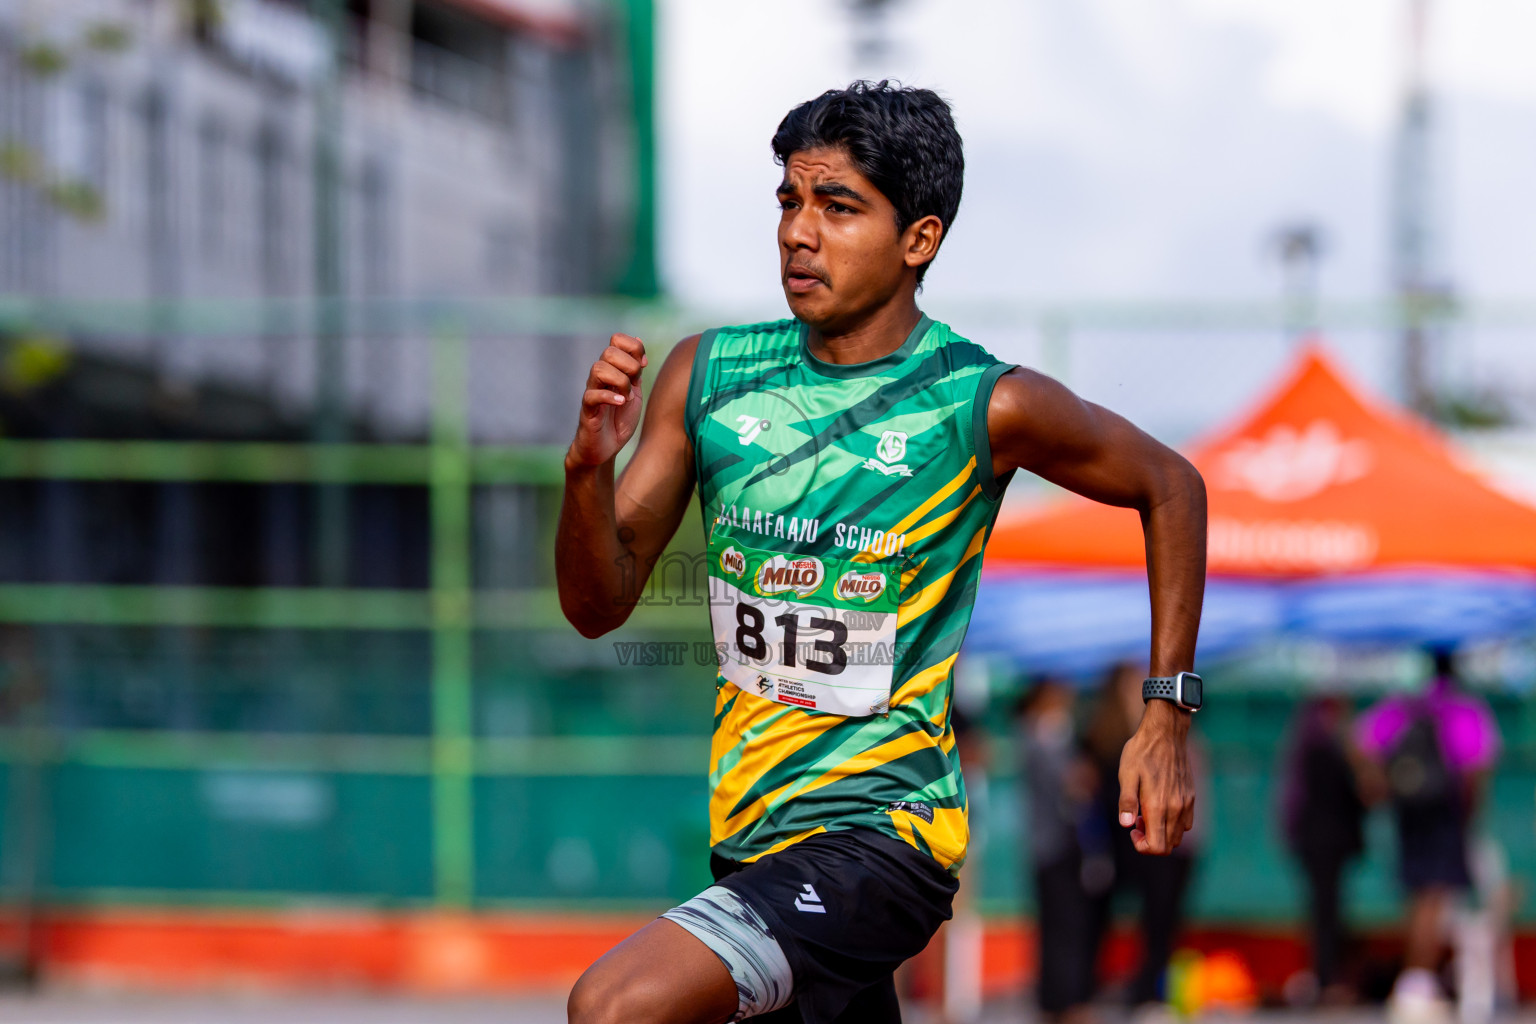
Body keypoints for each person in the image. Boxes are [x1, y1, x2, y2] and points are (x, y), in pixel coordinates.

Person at [556, 81, 1208, 1024]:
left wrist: (1165, 718)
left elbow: (1171, 484)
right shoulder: (707, 375)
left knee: (615, 1006)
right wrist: (586, 468)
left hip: (884, 840)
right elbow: (596, 603)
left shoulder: (979, 402)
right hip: (750, 838)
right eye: (788, 200)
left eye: (838, 206)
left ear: (920, 240)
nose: (797, 232)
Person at [1356, 648, 1501, 1024]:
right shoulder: (1464, 707)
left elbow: (1362, 741)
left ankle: (1416, 979)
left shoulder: (1406, 705)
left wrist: (1381, 788)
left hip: (1410, 813)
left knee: (1418, 894)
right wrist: (1469, 815)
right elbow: (1476, 767)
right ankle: (1417, 982)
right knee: (1434, 896)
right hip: (1445, 813)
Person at [1079, 663, 1203, 1013]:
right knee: (1150, 918)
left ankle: (1137, 987)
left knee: (1147, 919)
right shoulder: (1117, 737)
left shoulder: (1114, 734)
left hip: (1122, 841)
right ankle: (1135, 988)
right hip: (1124, 841)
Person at [1014, 678, 1098, 1024]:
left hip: (1050, 845)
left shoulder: (1038, 736)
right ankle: (1062, 1000)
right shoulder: (1043, 736)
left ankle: (1057, 999)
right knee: (1062, 926)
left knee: (1059, 926)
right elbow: (1071, 781)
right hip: (1053, 845)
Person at [1278, 695, 1370, 1004]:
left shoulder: (1307, 744)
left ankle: (1326, 974)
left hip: (1315, 842)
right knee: (1326, 911)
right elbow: (1359, 793)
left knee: (1324, 910)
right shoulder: (1327, 747)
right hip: (1326, 842)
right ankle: (1326, 976)